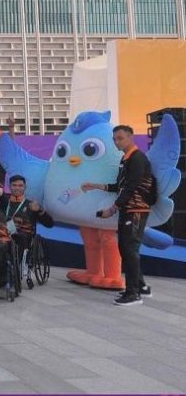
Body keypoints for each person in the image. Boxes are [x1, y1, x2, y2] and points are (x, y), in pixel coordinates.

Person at [82, 125, 157, 305]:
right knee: (126, 249)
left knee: (129, 249)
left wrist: (111, 209)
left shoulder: (137, 158)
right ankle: (141, 287)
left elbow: (130, 188)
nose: (117, 142)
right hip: (128, 210)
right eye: (114, 139)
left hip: (136, 210)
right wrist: (96, 185)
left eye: (120, 138)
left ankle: (133, 294)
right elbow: (119, 187)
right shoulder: (126, 159)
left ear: (131, 137)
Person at [6, 175, 54, 285]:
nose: (17, 188)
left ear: (25, 187)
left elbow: (49, 224)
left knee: (19, 238)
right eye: (14, 185)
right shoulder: (4, 202)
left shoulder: (31, 205)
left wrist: (40, 211)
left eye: (20, 185)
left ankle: (14, 270)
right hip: (4, 234)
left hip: (24, 237)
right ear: (9, 186)